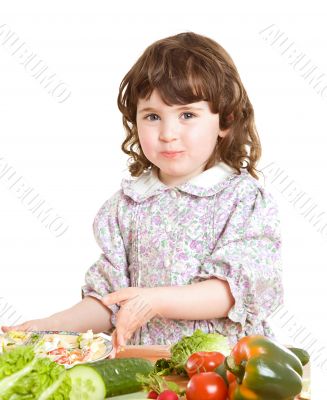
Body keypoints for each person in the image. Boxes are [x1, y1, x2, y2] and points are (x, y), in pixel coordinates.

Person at [2, 31, 283, 357]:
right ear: (134, 121)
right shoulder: (126, 206)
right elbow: (108, 301)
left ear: (226, 120)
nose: (167, 134)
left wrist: (156, 300)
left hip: (225, 370)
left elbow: (234, 292)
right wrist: (50, 326)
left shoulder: (242, 200)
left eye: (187, 115)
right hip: (148, 371)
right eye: (152, 116)